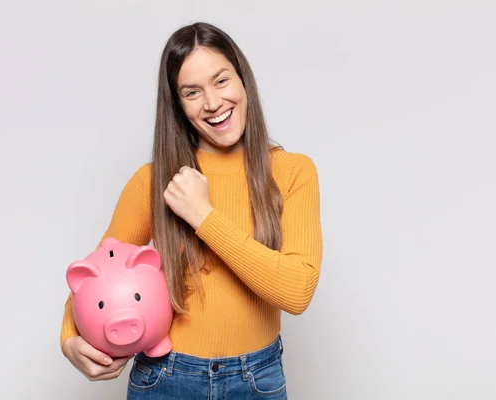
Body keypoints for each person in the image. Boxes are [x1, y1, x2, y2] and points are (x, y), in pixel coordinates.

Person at [60, 21, 322, 399]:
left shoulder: (293, 172)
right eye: (192, 92)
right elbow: (97, 272)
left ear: (243, 80)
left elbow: (298, 291)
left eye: (221, 81)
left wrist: (203, 217)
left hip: (256, 380)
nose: (213, 103)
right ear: (178, 105)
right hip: (166, 377)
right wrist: (69, 337)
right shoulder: (153, 181)